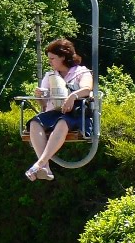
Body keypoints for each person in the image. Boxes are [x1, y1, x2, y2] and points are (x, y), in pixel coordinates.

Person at [25, 38, 93, 181]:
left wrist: (73, 96)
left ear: (63, 57)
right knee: (35, 122)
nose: (50, 62)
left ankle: (40, 164)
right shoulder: (50, 76)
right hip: (54, 112)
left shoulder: (81, 72)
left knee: (62, 122)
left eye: (52, 58)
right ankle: (45, 167)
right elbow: (43, 104)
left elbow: (87, 88)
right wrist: (39, 96)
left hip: (75, 114)